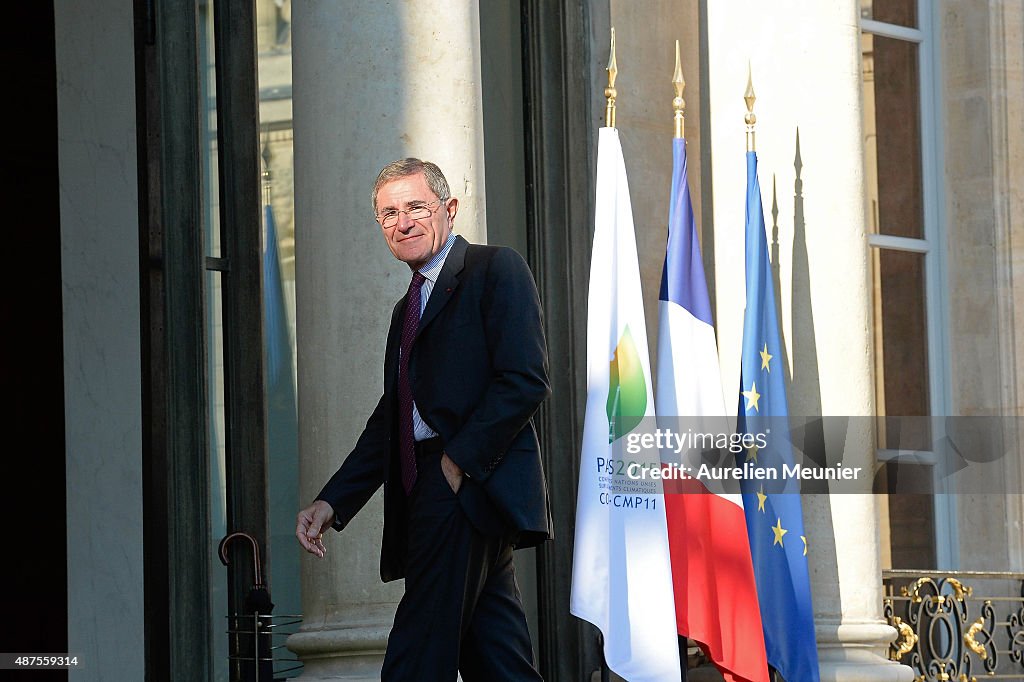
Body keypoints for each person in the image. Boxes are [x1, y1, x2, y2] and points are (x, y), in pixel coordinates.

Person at [296, 157, 551, 681]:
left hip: (463, 480)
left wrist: (457, 463)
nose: (403, 222)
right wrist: (334, 499)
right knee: (499, 660)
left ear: (449, 209)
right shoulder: (405, 308)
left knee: (416, 657)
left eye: (416, 207)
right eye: (388, 214)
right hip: (434, 490)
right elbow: (394, 415)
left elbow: (524, 378)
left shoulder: (494, 268)